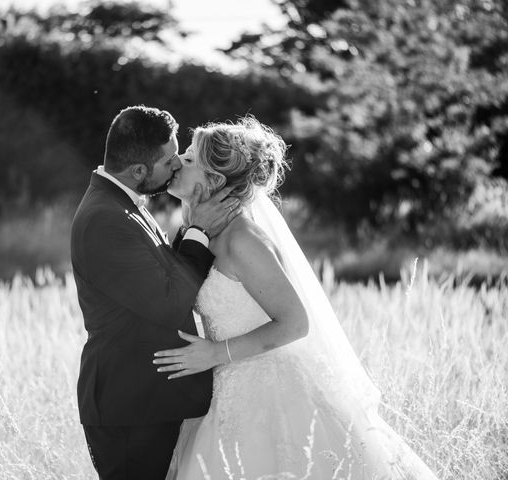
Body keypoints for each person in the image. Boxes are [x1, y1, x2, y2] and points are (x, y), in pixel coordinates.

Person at [155, 117, 439, 479]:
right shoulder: (202, 232)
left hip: (271, 396)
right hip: (226, 391)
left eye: (191, 158)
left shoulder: (244, 240)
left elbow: (295, 322)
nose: (178, 160)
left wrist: (215, 353)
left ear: (215, 180)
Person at [70, 105, 240, 479]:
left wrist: (191, 228)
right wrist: (200, 232)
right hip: (129, 406)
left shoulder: (122, 202)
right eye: (168, 161)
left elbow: (160, 272)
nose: (178, 165)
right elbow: (168, 302)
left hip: (145, 399)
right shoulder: (104, 219)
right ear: (139, 171)